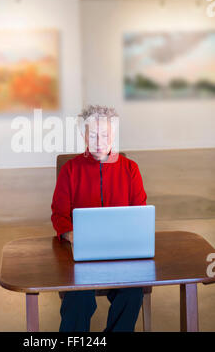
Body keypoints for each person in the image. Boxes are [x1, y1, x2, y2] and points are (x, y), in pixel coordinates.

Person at [51, 104, 147, 332]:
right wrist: (71, 234)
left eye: (105, 135)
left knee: (132, 293)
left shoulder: (130, 169)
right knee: (79, 298)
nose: (99, 141)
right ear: (84, 135)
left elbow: (140, 211)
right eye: (92, 135)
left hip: (120, 253)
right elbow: (59, 214)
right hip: (81, 254)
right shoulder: (70, 170)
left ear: (113, 135)